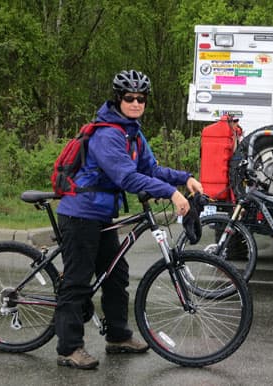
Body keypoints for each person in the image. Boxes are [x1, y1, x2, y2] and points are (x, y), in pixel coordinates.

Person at [55, 69, 203, 370]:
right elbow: (126, 176)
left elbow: (151, 169)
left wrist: (184, 178)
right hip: (80, 213)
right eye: (129, 98)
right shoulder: (107, 134)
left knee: (116, 276)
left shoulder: (132, 132)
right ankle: (69, 349)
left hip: (102, 214)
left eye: (141, 98)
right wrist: (170, 194)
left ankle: (118, 337)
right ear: (118, 99)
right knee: (77, 282)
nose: (136, 103)